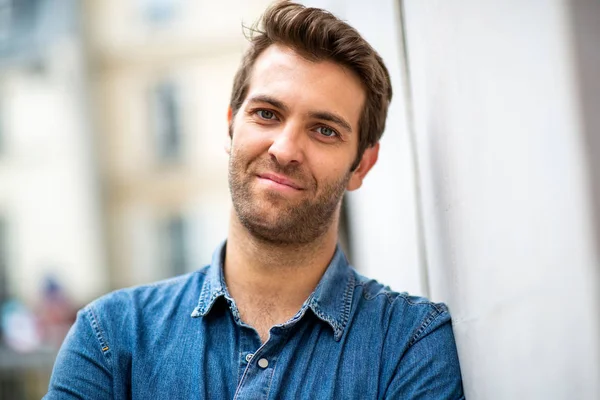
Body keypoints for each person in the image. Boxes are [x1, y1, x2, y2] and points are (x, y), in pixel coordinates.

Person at [45, 2, 464, 399]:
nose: (284, 149)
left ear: (361, 166)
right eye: (267, 114)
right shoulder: (112, 337)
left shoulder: (411, 344)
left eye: (324, 130)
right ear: (231, 126)